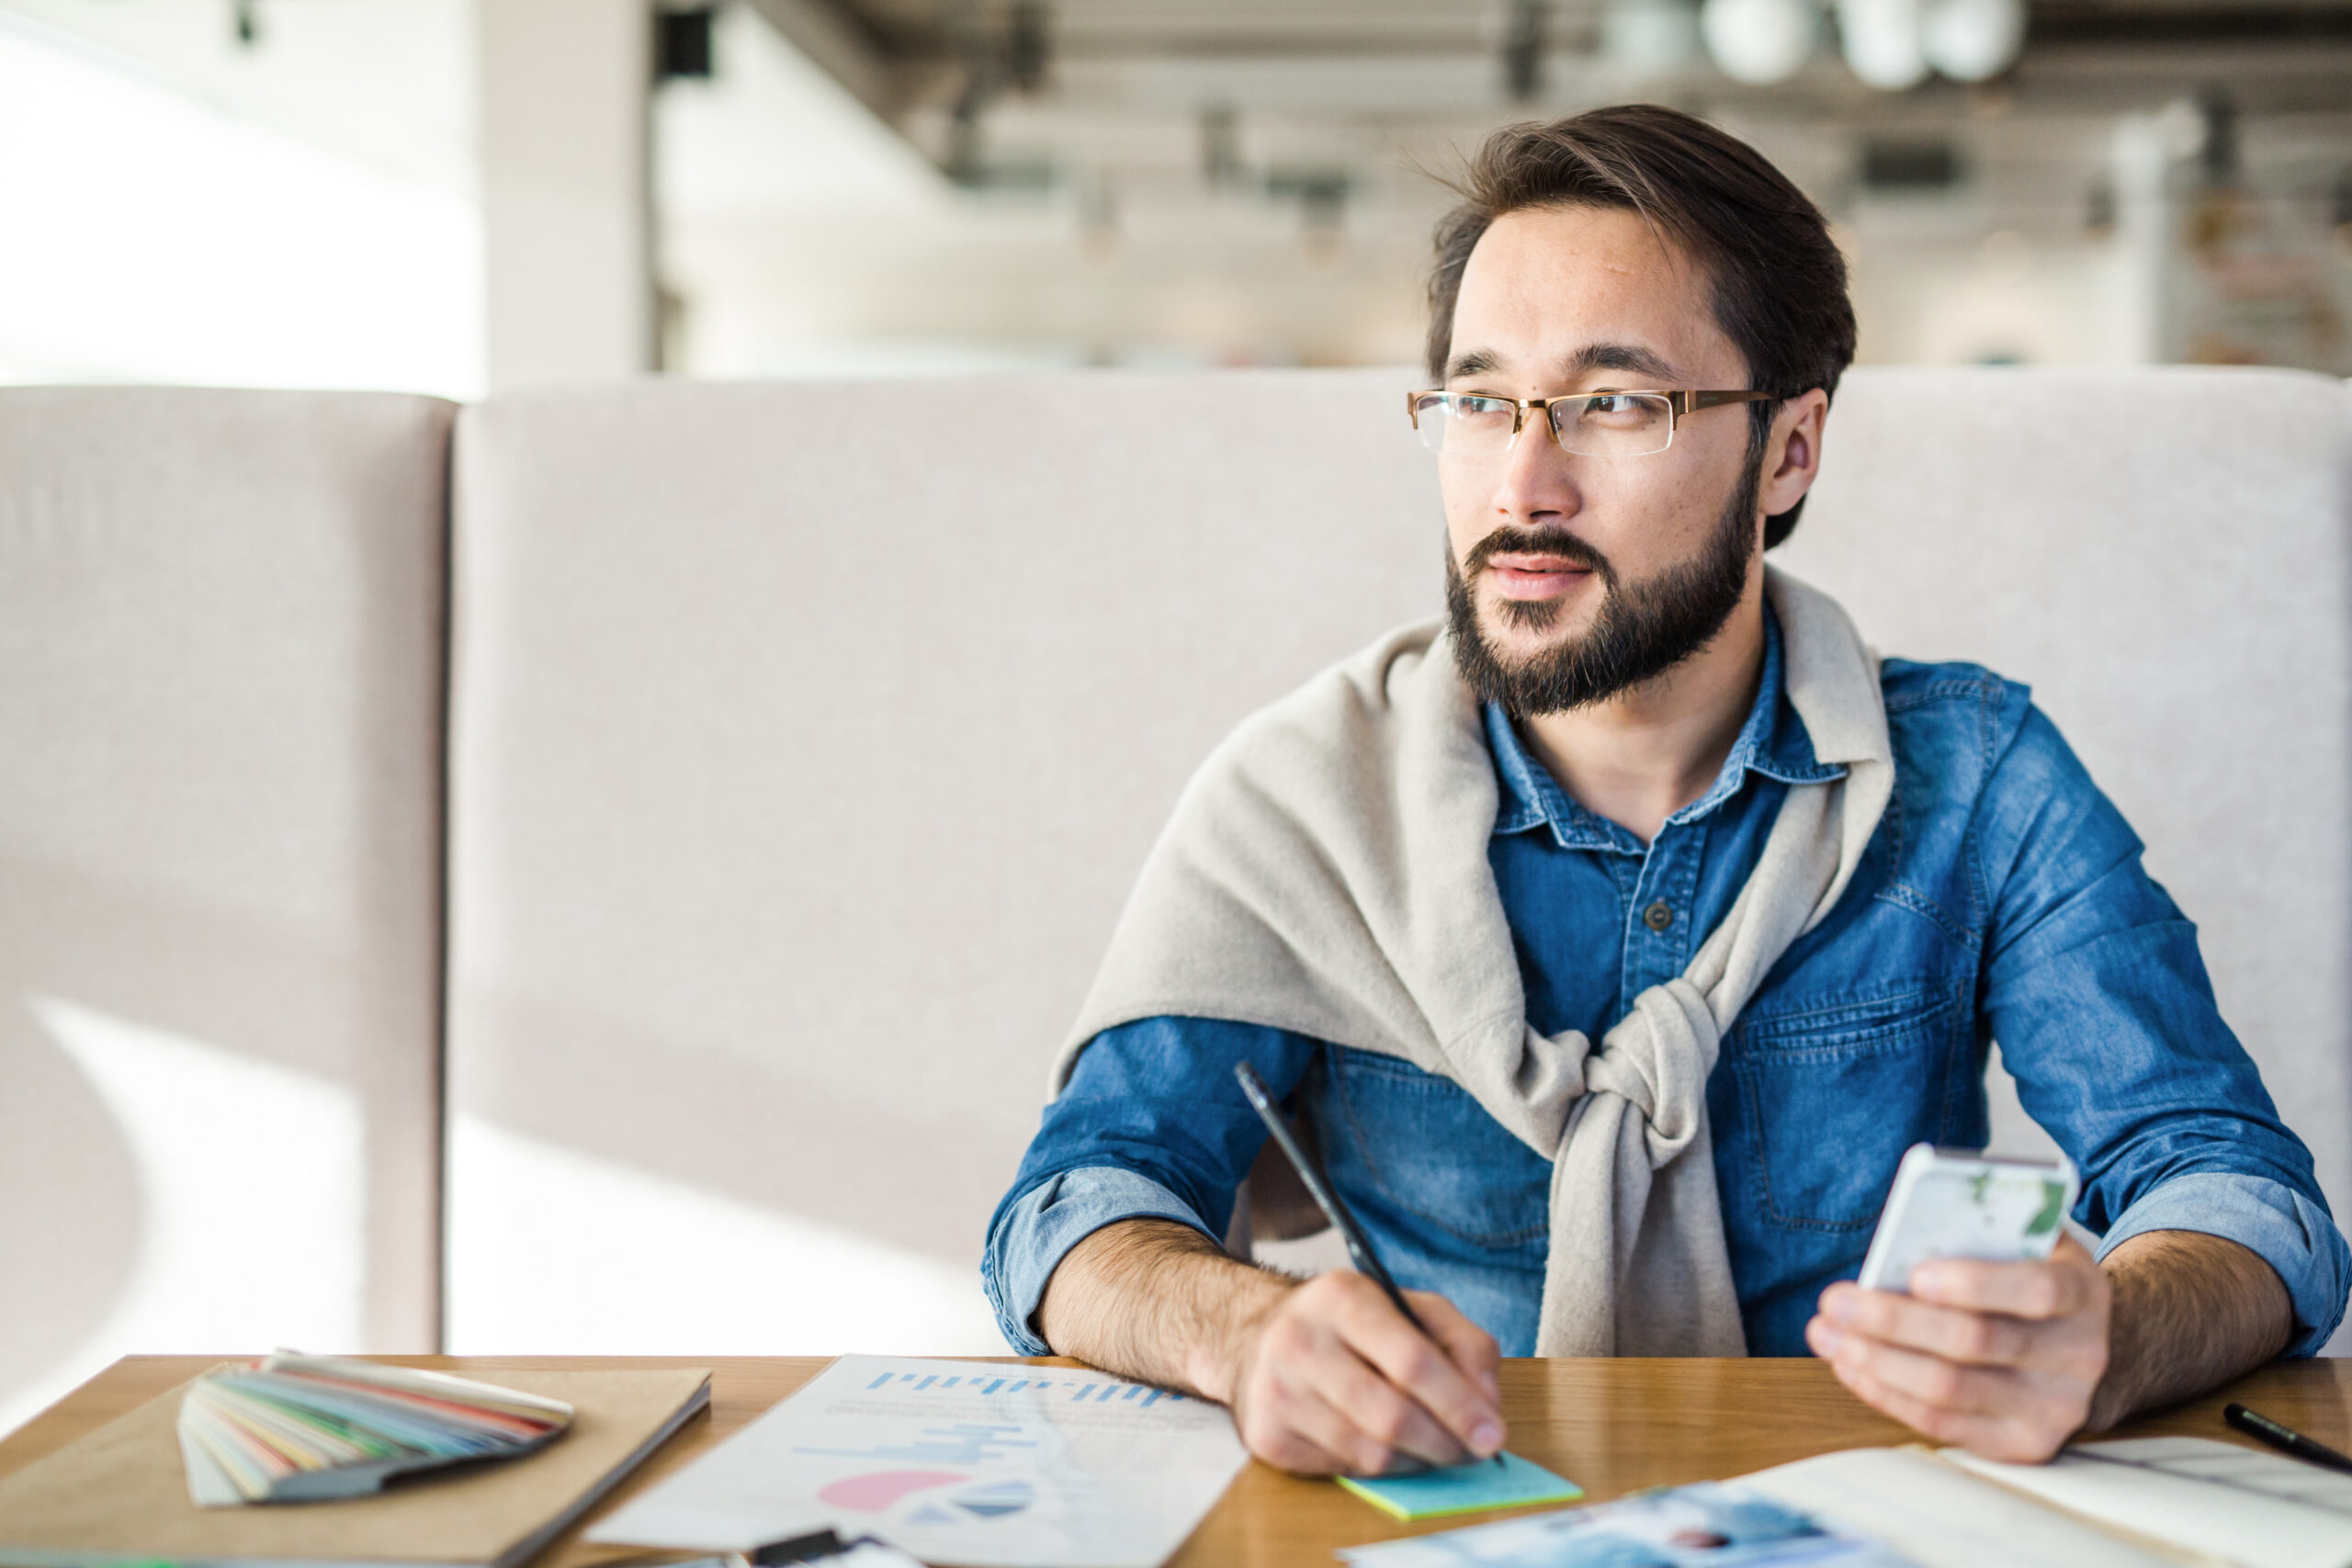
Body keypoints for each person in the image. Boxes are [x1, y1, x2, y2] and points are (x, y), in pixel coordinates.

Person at [981, 105, 2348, 1477]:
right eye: (1480, 402)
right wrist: (1247, 1335)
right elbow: (1076, 1207)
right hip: (1449, 1518)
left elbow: (2237, 1191)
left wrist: (2108, 1334)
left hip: (1868, 1518)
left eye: (1617, 404)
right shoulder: (1308, 800)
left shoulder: (1976, 780)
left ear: (1789, 450)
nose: (1524, 486)